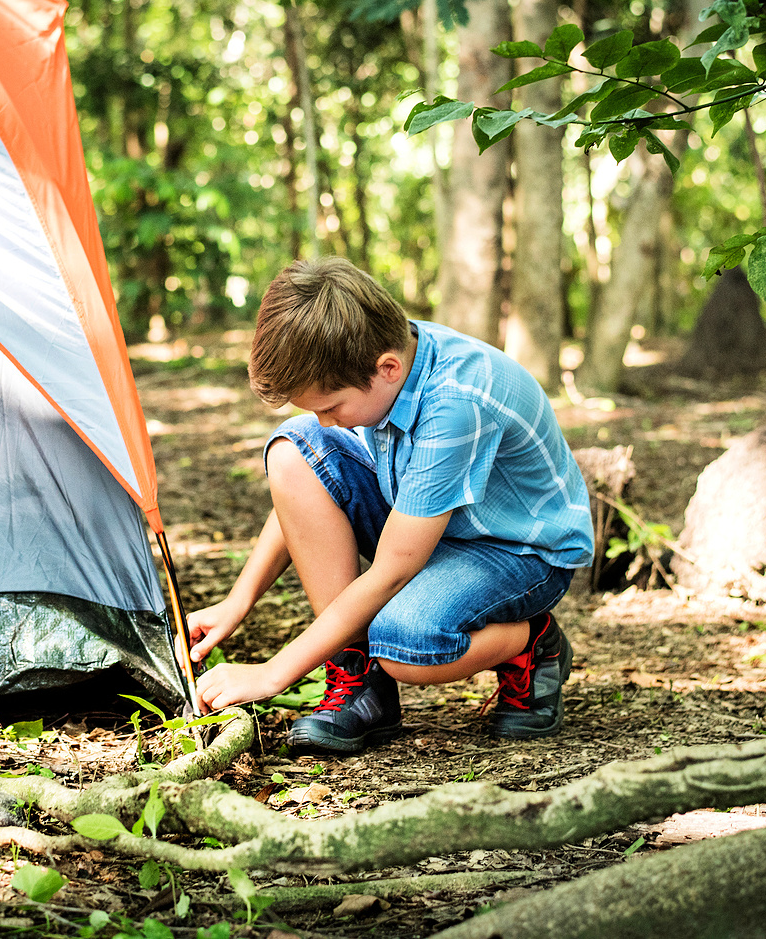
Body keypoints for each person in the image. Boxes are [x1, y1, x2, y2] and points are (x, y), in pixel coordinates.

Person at [187, 257, 593, 752]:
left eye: (330, 406)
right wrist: (239, 600)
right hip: (430, 524)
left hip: (517, 552)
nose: (328, 422)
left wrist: (274, 674)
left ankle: (531, 642)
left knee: (406, 644)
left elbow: (394, 571)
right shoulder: (386, 360)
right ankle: (360, 683)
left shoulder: (455, 403)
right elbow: (303, 497)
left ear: (387, 368)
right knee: (295, 452)